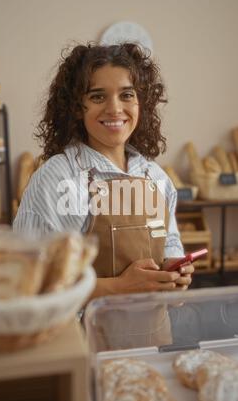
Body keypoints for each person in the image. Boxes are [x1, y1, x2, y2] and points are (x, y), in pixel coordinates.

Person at [13, 42, 194, 346]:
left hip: (153, 346)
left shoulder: (157, 178)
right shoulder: (58, 179)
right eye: (97, 96)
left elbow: (171, 242)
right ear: (75, 107)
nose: (114, 108)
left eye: (127, 94)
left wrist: (175, 273)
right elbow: (31, 285)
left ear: (141, 103)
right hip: (82, 349)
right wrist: (120, 286)